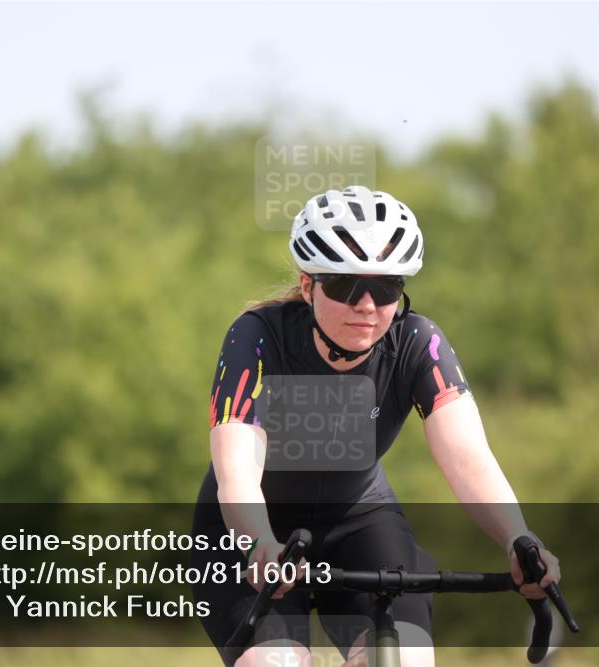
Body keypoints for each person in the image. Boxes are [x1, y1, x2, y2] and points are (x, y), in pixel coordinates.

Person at [190, 185, 562, 667]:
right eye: (346, 286)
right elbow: (238, 469)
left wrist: (518, 537)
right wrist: (260, 540)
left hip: (360, 518)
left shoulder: (417, 343)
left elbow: (468, 457)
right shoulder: (258, 336)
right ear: (308, 286)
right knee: (274, 662)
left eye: (386, 287)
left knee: (404, 658)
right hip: (250, 528)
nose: (366, 304)